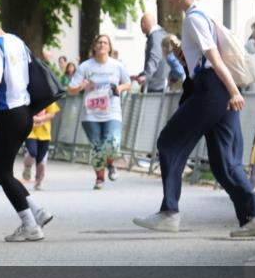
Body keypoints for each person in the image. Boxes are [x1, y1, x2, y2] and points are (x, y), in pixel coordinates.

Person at [133, 0, 255, 237]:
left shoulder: (193, 20)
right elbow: (206, 59)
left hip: (211, 91)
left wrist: (234, 91)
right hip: (215, 89)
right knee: (224, 162)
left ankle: (169, 212)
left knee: (168, 142)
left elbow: (214, 58)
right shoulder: (201, 17)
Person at [0, 6, 53, 242]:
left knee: (0, 172)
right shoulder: (17, 41)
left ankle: (30, 224)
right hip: (25, 110)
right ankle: (36, 211)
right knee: (4, 171)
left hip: (9, 112)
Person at [68, 34, 132, 189]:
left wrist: (119, 88)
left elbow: (128, 82)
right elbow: (71, 89)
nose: (102, 45)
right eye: (99, 42)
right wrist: (81, 86)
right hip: (91, 114)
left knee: (112, 142)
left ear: (109, 48)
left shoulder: (117, 66)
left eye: (105, 43)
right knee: (97, 146)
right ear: (94, 47)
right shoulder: (85, 66)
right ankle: (100, 178)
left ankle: (110, 163)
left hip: (112, 112)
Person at [22, 101, 60, 190]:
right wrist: (34, 118)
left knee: (41, 161)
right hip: (30, 131)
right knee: (32, 152)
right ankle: (27, 167)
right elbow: (22, 112)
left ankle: (39, 181)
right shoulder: (27, 98)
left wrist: (41, 119)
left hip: (45, 133)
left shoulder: (48, 97)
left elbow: (52, 113)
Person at [136, 13, 169, 93]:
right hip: (161, 84)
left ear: (143, 24)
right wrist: (141, 74)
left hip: (155, 86)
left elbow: (155, 57)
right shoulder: (163, 34)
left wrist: (146, 76)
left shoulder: (155, 36)